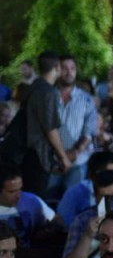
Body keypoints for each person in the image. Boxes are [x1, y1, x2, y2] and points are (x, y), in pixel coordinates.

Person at [20, 52, 72, 199]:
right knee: (36, 199)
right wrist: (63, 157)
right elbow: (50, 128)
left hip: (25, 152)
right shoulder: (48, 92)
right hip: (39, 155)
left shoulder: (32, 87)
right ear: (57, 67)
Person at [51, 53, 98, 195]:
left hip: (78, 162)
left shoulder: (86, 99)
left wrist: (75, 152)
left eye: (72, 68)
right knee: (46, 201)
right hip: (52, 161)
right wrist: (61, 156)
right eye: (64, 68)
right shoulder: (49, 97)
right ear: (57, 70)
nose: (69, 72)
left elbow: (90, 130)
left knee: (73, 199)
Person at [0, 163, 57, 246]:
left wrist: (48, 230)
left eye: (20, 189)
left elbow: (56, 220)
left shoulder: (30, 200)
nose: (18, 195)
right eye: (12, 192)